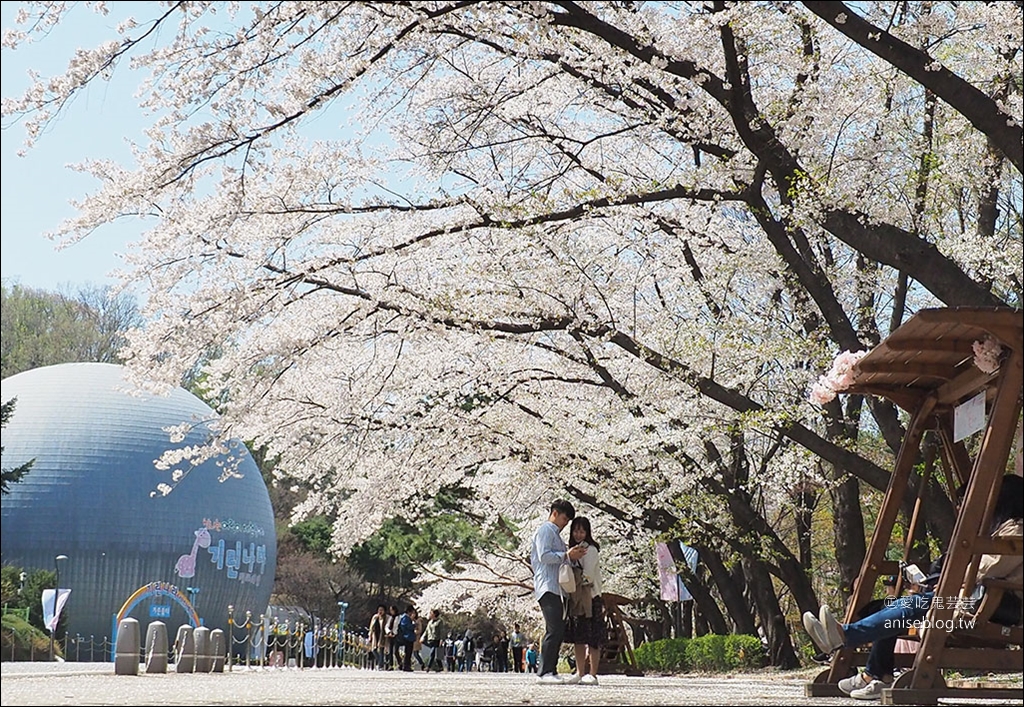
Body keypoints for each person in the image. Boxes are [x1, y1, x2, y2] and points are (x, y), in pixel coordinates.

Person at [804, 474, 1024, 701]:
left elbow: (987, 569)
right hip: (980, 599)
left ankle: (849, 641)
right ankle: (865, 661)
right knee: (898, 605)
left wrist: (951, 580)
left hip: (1001, 605)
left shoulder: (1017, 530)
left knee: (912, 604)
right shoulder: (1003, 529)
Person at [530, 498, 587, 684]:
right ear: (555, 513)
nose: (565, 524)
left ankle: (550, 670)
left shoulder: (555, 534)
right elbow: (544, 555)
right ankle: (544, 672)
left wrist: (571, 556)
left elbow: (560, 559)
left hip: (557, 588)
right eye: (564, 519)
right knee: (554, 629)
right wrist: (566, 555)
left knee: (558, 630)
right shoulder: (546, 530)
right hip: (547, 586)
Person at [562, 516, 605, 686]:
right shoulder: (572, 550)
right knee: (578, 637)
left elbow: (588, 576)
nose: (579, 534)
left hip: (591, 597)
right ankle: (580, 672)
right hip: (576, 597)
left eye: (582, 531)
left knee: (593, 637)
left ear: (587, 533)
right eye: (576, 531)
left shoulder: (591, 550)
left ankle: (592, 674)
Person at [395, 605, 418, 672]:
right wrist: (414, 625)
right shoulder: (405, 617)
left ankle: (407, 665)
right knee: (408, 652)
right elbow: (405, 626)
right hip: (407, 636)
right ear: (409, 611)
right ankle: (406, 666)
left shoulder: (404, 617)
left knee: (408, 652)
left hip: (408, 636)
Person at [368, 604, 387, 670]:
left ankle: (380, 665)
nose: (380, 611)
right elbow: (371, 627)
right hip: (375, 635)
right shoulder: (375, 617)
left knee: (381, 650)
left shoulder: (386, 618)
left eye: (382, 610)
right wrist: (370, 635)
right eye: (379, 610)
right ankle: (381, 662)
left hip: (382, 636)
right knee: (374, 650)